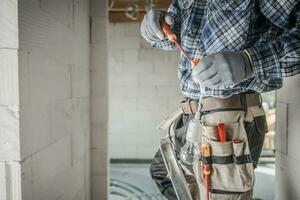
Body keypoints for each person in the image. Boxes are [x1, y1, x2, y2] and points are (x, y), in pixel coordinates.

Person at [140, 0, 300, 199]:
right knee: (163, 173)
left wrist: (251, 62)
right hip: (191, 114)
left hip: (229, 120)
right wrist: (157, 28)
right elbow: (175, 35)